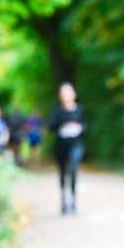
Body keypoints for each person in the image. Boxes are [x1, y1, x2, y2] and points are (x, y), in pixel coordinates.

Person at [48, 82, 86, 215]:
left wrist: (79, 128)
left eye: (68, 92)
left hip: (76, 144)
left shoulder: (79, 109)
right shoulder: (57, 110)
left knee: (73, 168)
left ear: (73, 94)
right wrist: (63, 125)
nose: (66, 95)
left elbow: (85, 125)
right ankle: (64, 202)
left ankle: (74, 202)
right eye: (63, 93)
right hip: (61, 145)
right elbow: (51, 126)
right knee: (63, 173)